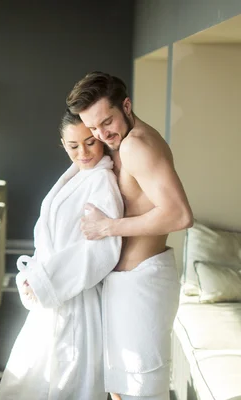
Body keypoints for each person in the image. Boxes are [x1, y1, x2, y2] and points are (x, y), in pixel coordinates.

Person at [66, 71, 194, 400]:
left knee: (142, 392)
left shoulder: (137, 145)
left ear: (126, 105)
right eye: (92, 127)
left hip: (143, 286)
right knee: (122, 391)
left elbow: (179, 215)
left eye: (106, 122)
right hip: (124, 285)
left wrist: (109, 227)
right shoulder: (120, 142)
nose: (101, 133)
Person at [0, 110, 124, 400]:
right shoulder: (75, 177)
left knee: (65, 384)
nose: (83, 152)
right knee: (30, 380)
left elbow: (104, 248)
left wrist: (45, 281)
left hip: (76, 301)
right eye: (73, 145)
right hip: (52, 296)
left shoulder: (102, 181)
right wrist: (33, 278)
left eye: (90, 142)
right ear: (62, 144)